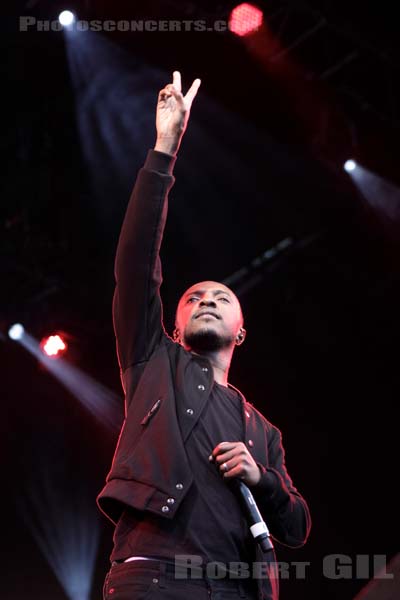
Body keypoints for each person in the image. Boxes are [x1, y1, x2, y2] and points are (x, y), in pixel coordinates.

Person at [97, 71, 311, 600]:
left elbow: (297, 525)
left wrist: (260, 476)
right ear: (174, 325)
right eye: (194, 297)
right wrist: (164, 149)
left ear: (241, 333)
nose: (208, 300)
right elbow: (137, 263)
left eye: (222, 298)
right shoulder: (154, 363)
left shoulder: (262, 430)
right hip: (155, 578)